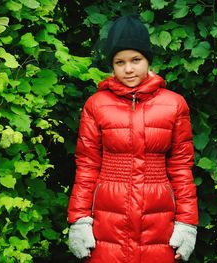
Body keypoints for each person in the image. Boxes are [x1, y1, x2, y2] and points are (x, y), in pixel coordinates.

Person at [67, 15, 198, 263]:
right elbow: (87, 165)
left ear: (148, 60)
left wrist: (187, 223)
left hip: (158, 217)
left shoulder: (174, 104)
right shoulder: (96, 105)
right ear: (112, 65)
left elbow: (181, 167)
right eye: (120, 62)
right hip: (107, 216)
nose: (128, 69)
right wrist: (79, 220)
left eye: (136, 60)